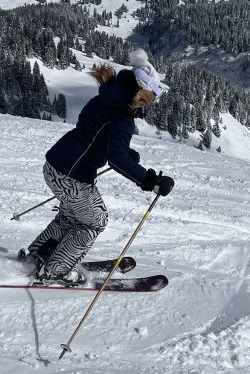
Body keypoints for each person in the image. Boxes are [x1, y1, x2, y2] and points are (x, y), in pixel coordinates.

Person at [20, 50, 175, 286]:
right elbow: (116, 159)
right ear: (142, 91)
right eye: (152, 96)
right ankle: (55, 270)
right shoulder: (123, 117)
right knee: (95, 220)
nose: (151, 102)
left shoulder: (106, 97)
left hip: (55, 164)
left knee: (72, 215)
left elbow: (91, 130)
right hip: (72, 175)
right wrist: (150, 181)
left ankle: (37, 256)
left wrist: (118, 151)